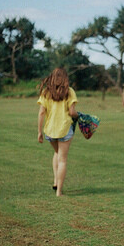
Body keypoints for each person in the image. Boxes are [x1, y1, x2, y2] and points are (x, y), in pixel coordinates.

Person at [37, 68, 78, 197]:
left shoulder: (46, 92)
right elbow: (72, 112)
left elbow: (41, 113)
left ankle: (56, 181)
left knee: (57, 153)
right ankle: (59, 192)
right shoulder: (69, 91)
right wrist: (79, 116)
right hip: (65, 129)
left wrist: (39, 132)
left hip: (50, 130)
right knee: (62, 160)